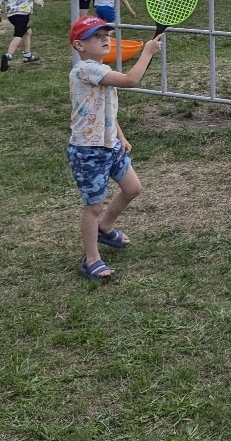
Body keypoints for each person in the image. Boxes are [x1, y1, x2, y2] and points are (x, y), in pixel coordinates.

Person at [67, 15, 164, 281]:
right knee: (93, 207)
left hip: (110, 146)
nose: (105, 39)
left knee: (133, 188)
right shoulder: (86, 70)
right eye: (96, 37)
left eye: (106, 35)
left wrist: (120, 135)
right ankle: (91, 259)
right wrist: (146, 52)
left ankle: (104, 229)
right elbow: (132, 79)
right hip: (88, 150)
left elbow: (105, 109)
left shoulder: (101, 72)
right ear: (79, 45)